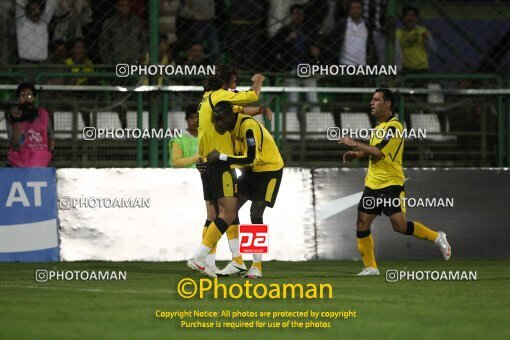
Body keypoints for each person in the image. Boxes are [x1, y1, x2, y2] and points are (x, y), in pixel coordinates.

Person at [339, 88, 451, 276]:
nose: (371, 103)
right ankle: (371, 267)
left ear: (387, 103)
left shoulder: (395, 127)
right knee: (362, 223)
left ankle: (437, 237)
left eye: (376, 99)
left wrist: (355, 143)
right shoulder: (377, 129)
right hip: (373, 185)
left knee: (399, 226)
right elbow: (372, 150)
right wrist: (357, 154)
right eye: (372, 100)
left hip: (391, 184)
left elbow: (379, 151)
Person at [186, 66, 270, 278]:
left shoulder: (206, 100)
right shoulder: (221, 97)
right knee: (240, 213)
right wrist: (258, 79)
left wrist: (259, 110)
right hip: (237, 165)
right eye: (232, 83)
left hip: (210, 163)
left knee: (216, 214)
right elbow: (250, 96)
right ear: (224, 83)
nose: (235, 87)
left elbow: (238, 110)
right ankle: (203, 258)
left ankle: (228, 262)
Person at [207, 101, 284, 278]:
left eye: (220, 120)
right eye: (215, 120)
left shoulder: (247, 127)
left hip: (268, 170)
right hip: (251, 171)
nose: (217, 123)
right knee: (229, 209)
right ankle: (237, 262)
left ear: (228, 116)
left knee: (256, 214)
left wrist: (221, 157)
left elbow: (250, 158)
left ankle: (256, 266)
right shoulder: (232, 128)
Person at [6, 83, 54, 167]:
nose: (26, 98)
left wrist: (48, 154)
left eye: (29, 95)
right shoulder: (13, 115)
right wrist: (17, 121)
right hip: (18, 164)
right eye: (23, 95)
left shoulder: (43, 114)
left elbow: (50, 137)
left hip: (41, 163)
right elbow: (15, 145)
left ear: (34, 97)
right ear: (19, 98)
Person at [396, 5, 436, 73]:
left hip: (421, 68)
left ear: (417, 18)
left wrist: (427, 39)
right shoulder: (397, 33)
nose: (410, 18)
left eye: (413, 16)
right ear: (403, 18)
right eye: (407, 15)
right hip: (405, 68)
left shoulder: (423, 31)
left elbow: (433, 49)